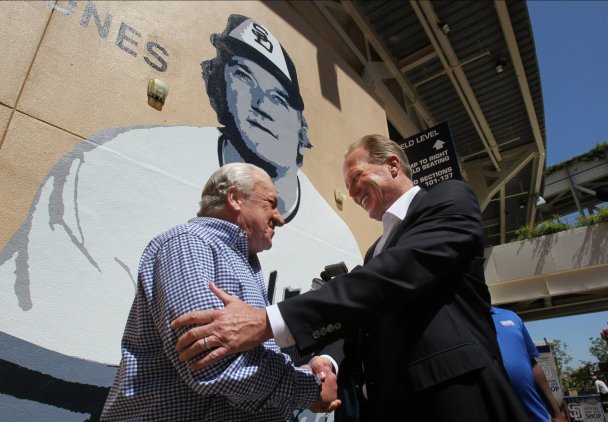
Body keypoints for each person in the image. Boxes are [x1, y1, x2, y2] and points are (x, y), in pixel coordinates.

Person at [0, 14, 361, 367]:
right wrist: (304, 389)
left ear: (302, 126)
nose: (258, 102)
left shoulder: (339, 237)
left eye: (279, 98)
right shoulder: (120, 160)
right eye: (242, 78)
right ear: (221, 86)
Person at [172, 134, 528, 421]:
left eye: (357, 178)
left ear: (392, 165)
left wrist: (270, 321)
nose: (353, 193)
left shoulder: (449, 199)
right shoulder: (375, 252)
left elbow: (388, 280)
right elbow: (360, 315)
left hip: (453, 399)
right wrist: (326, 363)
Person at [100, 163, 340, 421]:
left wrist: (311, 363)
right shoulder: (190, 243)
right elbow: (210, 362)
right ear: (235, 198)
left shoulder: (242, 262)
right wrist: (309, 388)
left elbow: (253, 353)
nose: (280, 218)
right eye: (271, 204)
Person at [492, 307, 566, 422]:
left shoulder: (511, 316)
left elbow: (533, 365)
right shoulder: (463, 320)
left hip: (534, 414)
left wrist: (556, 413)